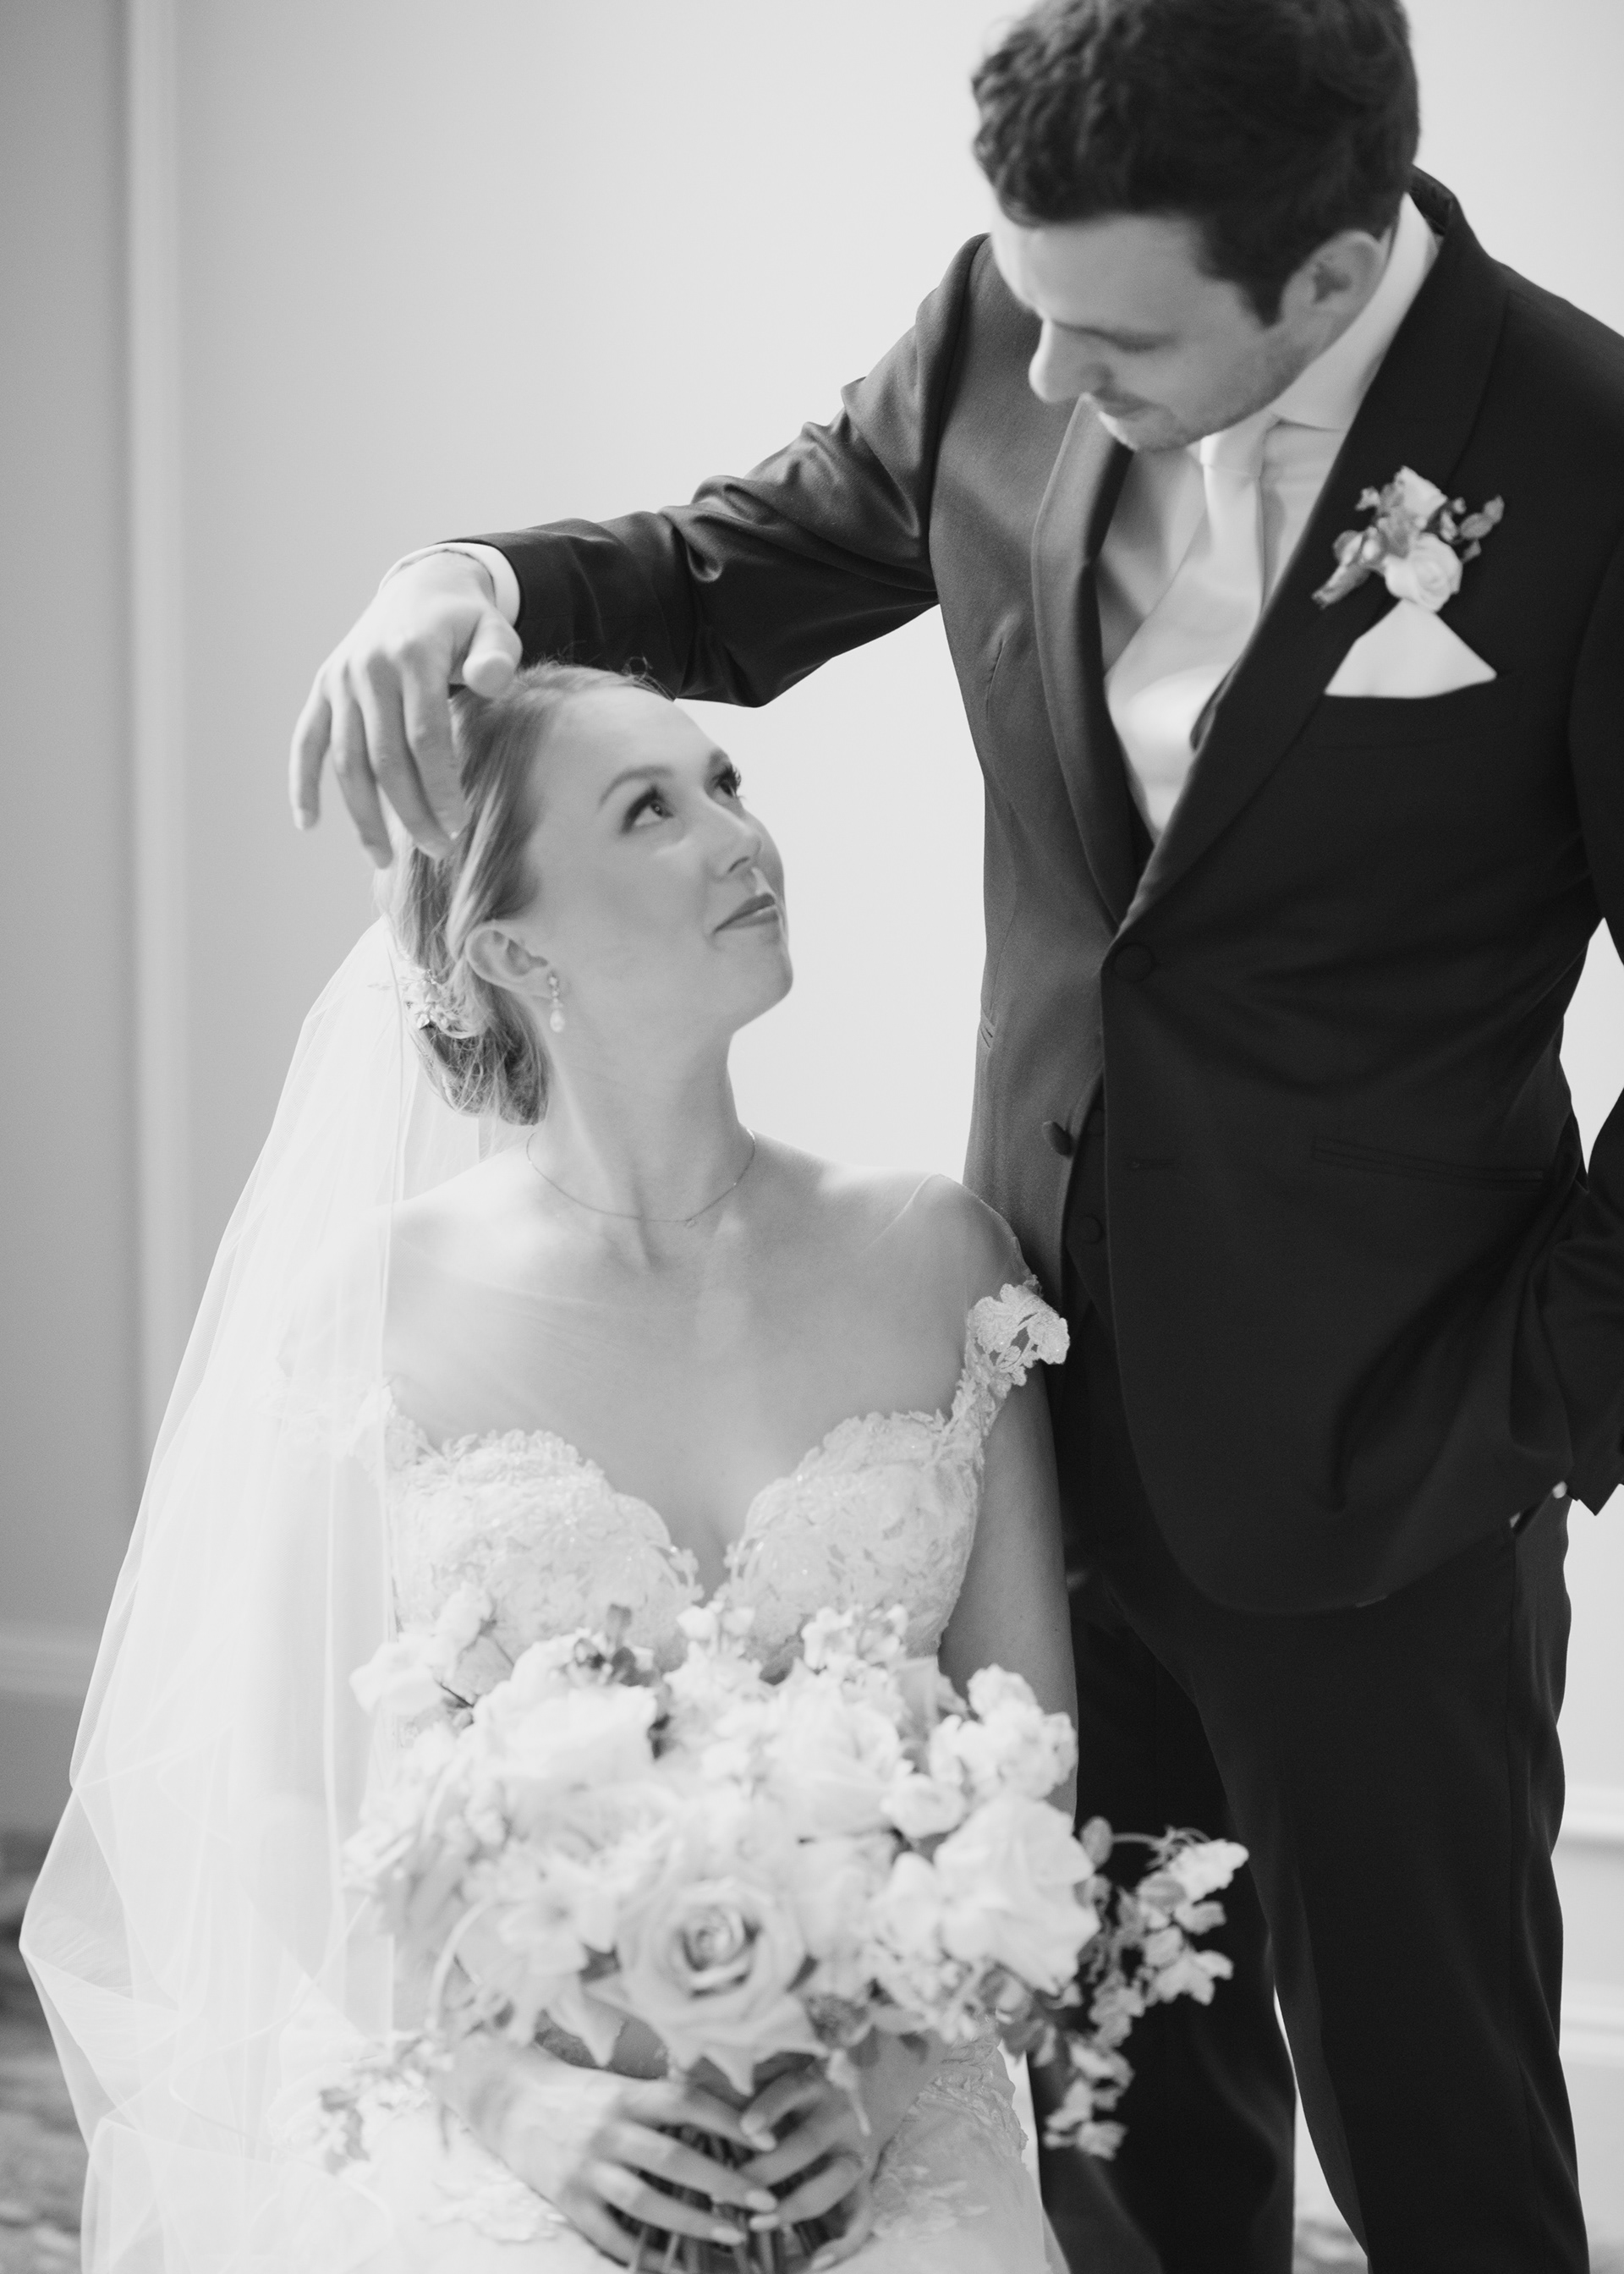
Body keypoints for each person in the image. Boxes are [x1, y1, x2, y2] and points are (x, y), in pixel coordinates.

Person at [284, 2, 1624, 2269]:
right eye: (1032, 307)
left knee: (1445, 2154)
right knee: (1116, 2139)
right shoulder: (1017, 321)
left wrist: (1530, 1404)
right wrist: (468, 581)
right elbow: (724, 571)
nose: (1054, 372)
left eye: (1121, 340)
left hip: (1396, 1471)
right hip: (1028, 1404)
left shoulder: (1592, 463)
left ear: (1327, 276)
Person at [24, 662, 1084, 2271]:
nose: (740, 837)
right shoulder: (382, 1308)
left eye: (726, 783)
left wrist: (872, 2074)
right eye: (652, 810)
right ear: (512, 949)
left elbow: (1031, 1766)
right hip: (504, 2105)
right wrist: (511, 2098)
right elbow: (283, 1802)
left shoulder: (939, 1259)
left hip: (874, 2102)